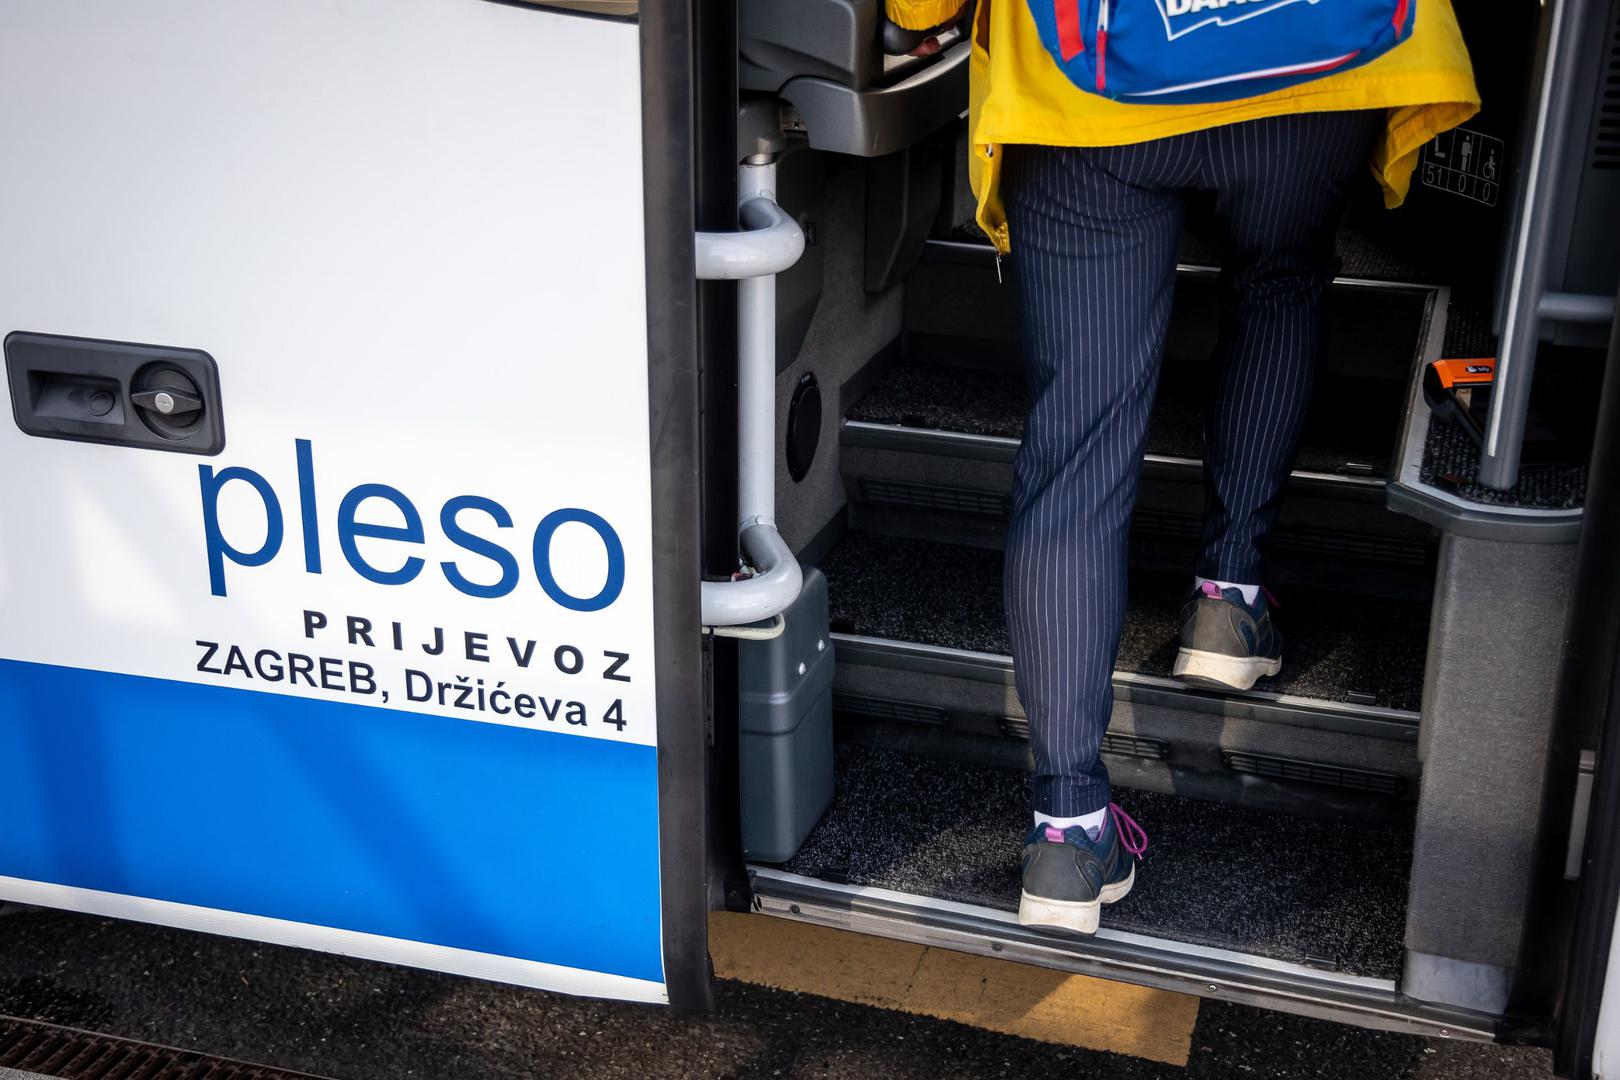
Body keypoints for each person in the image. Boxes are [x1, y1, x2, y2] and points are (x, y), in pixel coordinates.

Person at [885, 0, 1479, 934]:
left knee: (1077, 446)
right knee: (1281, 281)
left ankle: (1069, 832)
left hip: (1087, 85)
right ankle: (1228, 600)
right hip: (1310, 63)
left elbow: (922, 8)